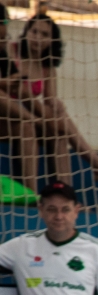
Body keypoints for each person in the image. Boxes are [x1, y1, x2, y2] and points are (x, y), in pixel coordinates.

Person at [15, 13, 98, 184]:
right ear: (26, 32)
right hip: (10, 114)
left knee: (60, 132)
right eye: (34, 31)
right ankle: (96, 162)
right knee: (43, 125)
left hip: (32, 117)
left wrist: (57, 104)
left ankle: (65, 192)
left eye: (44, 34)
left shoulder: (48, 68)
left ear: (52, 41)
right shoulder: (12, 52)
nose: (37, 38)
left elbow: (50, 99)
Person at [0, 6, 38, 190]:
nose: (3, 41)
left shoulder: (2, 53)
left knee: (26, 127)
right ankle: (38, 121)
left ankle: (32, 194)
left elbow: (17, 83)